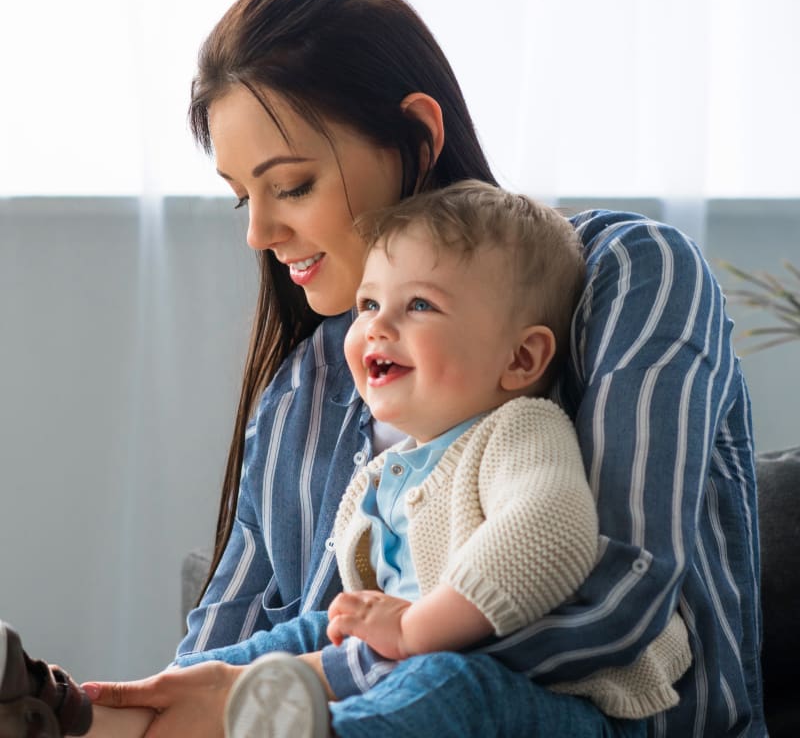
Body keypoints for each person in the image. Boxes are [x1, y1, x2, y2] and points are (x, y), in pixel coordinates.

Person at [84, 0, 764, 738]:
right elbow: (226, 646)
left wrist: (297, 685)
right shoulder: (303, 394)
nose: (258, 234)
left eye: (294, 185)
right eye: (245, 197)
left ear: (416, 136)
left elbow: (616, 596)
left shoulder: (626, 273)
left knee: (447, 677)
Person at [202, 180, 691, 738]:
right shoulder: (384, 474)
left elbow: (548, 533)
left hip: (561, 706)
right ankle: (129, 706)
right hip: (420, 679)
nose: (377, 327)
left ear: (522, 358)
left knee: (447, 683)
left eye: (419, 305)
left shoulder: (518, 430)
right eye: (368, 304)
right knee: (302, 636)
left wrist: (412, 630)